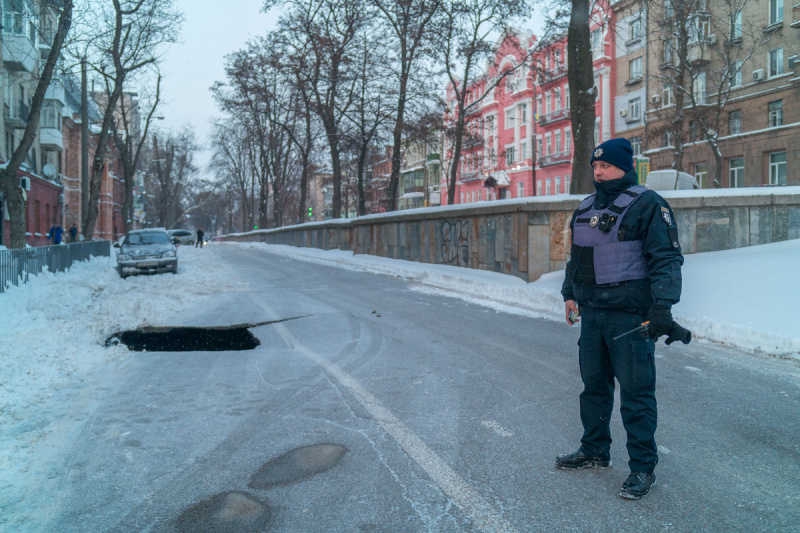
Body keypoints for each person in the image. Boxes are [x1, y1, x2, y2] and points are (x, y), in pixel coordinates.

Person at [557, 138, 684, 500]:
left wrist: (663, 307)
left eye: (606, 166)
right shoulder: (585, 207)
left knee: (636, 395)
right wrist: (568, 294)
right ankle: (594, 450)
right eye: (595, 166)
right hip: (593, 316)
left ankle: (643, 468)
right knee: (594, 389)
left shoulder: (649, 204)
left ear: (624, 167)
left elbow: (666, 260)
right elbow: (577, 260)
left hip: (629, 318)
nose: (598, 172)